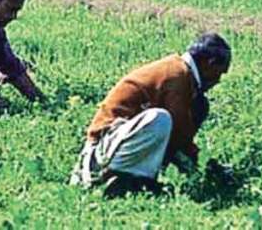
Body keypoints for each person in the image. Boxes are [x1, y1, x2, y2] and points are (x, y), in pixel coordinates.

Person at [70, 32, 233, 196]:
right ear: (210, 63)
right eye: (219, 72)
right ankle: (119, 178)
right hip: (102, 149)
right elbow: (179, 132)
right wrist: (201, 166)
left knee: (195, 109)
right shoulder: (177, 75)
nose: (218, 80)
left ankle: (135, 181)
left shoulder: (181, 74)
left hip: (116, 143)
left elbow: (179, 136)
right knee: (159, 119)